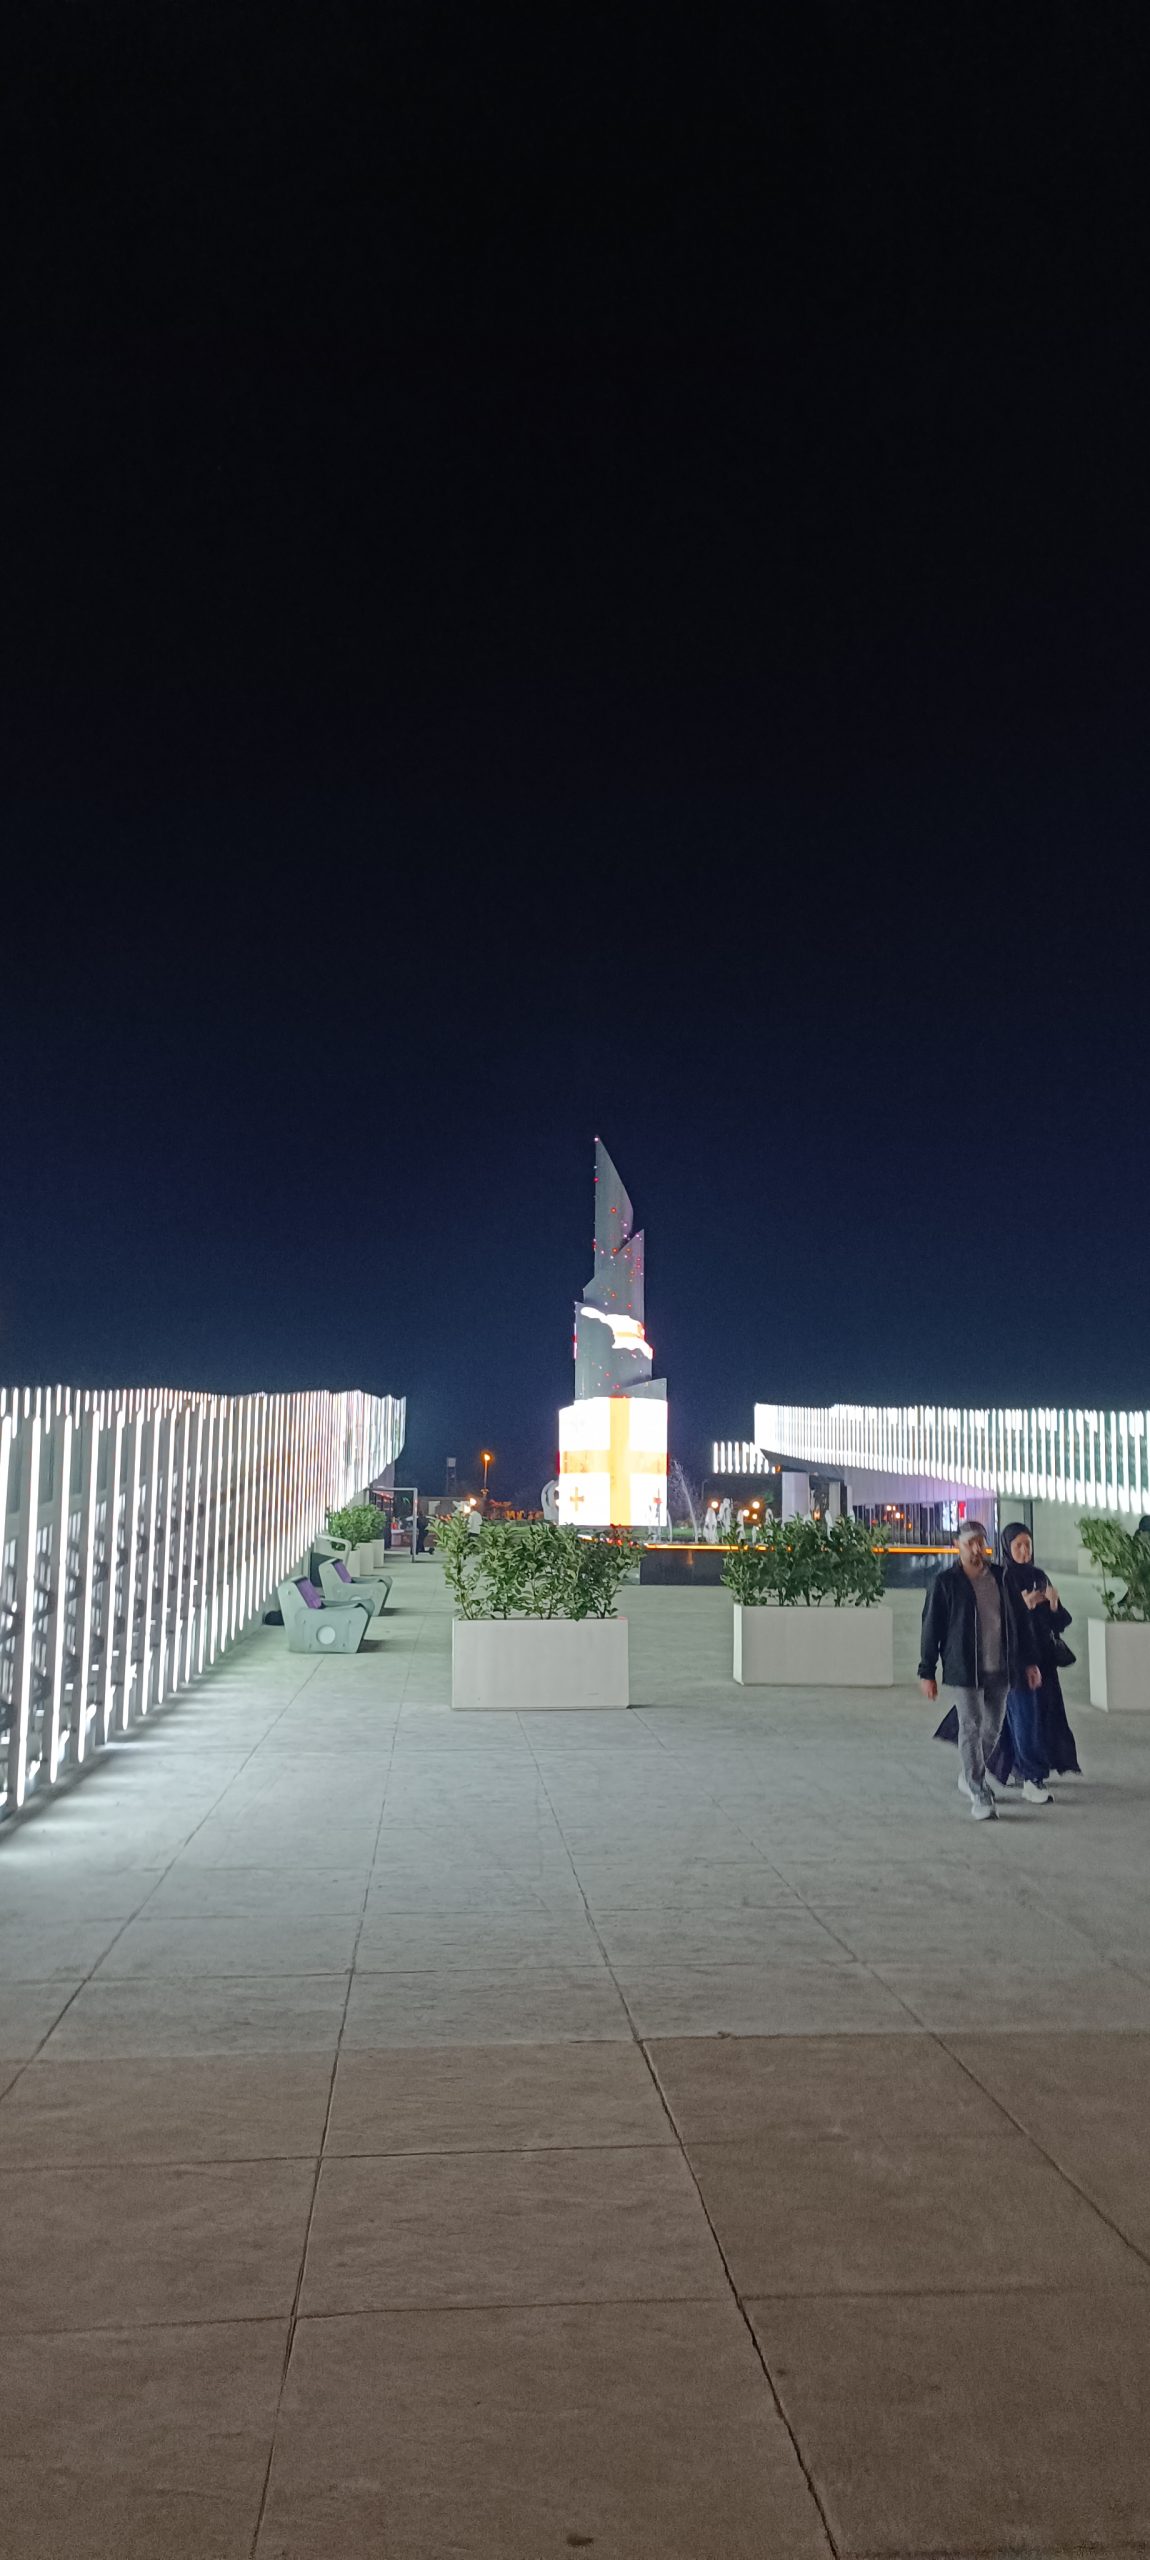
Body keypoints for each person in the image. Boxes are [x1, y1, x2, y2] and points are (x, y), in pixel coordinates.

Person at [934, 1522, 1081, 1794]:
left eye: (1028, 1545)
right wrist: (1022, 1606)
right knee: (1018, 1719)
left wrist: (1052, 1604)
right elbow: (995, 1621)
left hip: (1039, 1659)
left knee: (1023, 1722)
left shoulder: (1038, 1576)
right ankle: (1027, 1777)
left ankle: (1000, 1772)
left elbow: (1057, 1622)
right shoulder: (1001, 1577)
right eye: (1018, 1546)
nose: (1024, 1551)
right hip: (1011, 1660)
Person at [918, 1520, 1042, 1820]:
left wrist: (1029, 1661)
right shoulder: (946, 1582)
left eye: (980, 1542)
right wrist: (927, 1671)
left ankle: (969, 1773)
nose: (976, 1549)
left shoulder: (1001, 1577)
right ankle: (978, 1790)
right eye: (969, 1543)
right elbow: (931, 1627)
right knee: (971, 1725)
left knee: (992, 1728)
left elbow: (1020, 1622)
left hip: (1000, 1666)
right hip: (964, 1668)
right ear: (957, 1546)